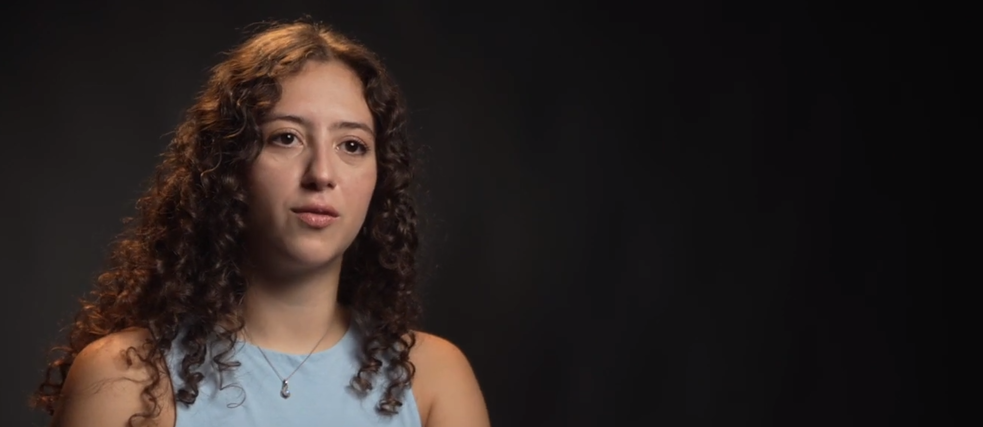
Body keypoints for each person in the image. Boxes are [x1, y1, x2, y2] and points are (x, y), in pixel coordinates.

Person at [31, 19, 490, 427]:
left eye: (352, 145)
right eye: (286, 138)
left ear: (380, 178)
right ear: (229, 167)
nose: (322, 174)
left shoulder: (434, 379)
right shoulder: (124, 380)